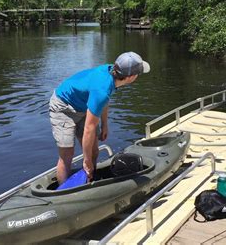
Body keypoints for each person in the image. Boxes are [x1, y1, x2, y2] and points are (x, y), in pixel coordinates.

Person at [49, 52, 151, 185]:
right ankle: (63, 194)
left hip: (84, 105)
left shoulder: (113, 72)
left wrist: (105, 125)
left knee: (94, 151)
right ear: (131, 77)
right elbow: (89, 128)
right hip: (63, 107)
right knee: (67, 154)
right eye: (138, 73)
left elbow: (103, 101)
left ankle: (89, 181)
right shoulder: (102, 89)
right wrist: (86, 161)